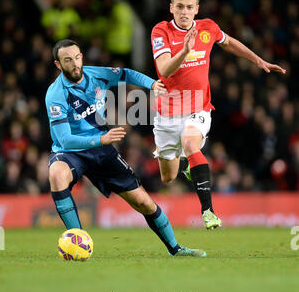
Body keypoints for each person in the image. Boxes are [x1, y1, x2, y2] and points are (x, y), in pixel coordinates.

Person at [45, 38, 206, 257]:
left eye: (76, 57)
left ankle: (175, 249)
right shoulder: (55, 94)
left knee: (144, 202)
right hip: (72, 152)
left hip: (103, 150)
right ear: (58, 64)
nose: (74, 64)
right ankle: (78, 241)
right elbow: (65, 140)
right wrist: (101, 140)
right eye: (67, 60)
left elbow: (126, 73)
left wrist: (151, 84)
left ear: (81, 56)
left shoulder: (97, 74)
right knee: (56, 174)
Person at [150, 0, 286, 229]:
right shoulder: (161, 31)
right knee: (168, 177)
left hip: (198, 107)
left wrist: (257, 60)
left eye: (189, 7)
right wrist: (185, 51)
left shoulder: (208, 27)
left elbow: (229, 42)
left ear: (197, 9)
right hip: (167, 112)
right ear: (171, 8)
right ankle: (186, 164)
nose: (184, 12)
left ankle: (208, 211)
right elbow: (164, 69)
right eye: (179, 6)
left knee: (191, 143)